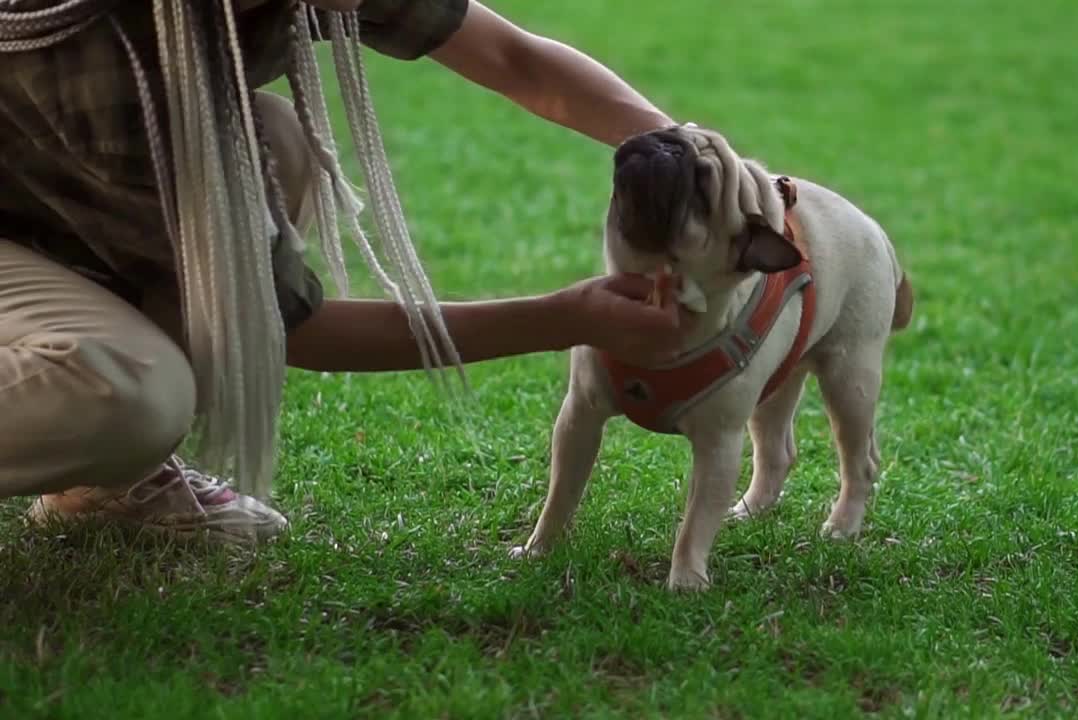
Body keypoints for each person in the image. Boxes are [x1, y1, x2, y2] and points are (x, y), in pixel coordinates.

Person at [0, 0, 685, 544]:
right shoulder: (111, 53)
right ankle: (97, 441)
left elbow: (512, 58)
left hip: (31, 195)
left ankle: (104, 487)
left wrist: (691, 155)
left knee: (272, 145)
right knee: (126, 395)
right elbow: (286, 329)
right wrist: (566, 317)